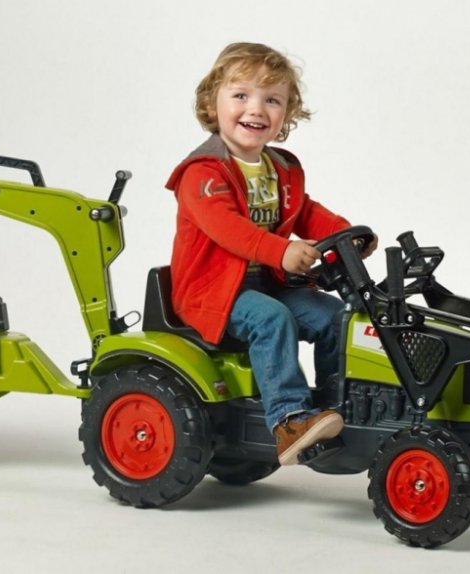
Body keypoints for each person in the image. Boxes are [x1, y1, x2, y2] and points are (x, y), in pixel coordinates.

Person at [165, 42, 376, 465]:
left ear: (286, 114)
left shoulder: (280, 167)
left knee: (336, 317)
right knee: (271, 319)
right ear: (212, 103)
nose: (256, 109)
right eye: (241, 95)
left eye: (272, 100)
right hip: (214, 290)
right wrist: (280, 251)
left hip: (267, 281)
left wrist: (344, 234)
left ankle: (335, 405)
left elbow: (305, 211)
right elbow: (228, 228)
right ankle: (289, 419)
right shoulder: (201, 173)